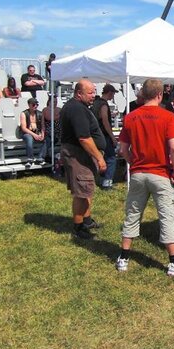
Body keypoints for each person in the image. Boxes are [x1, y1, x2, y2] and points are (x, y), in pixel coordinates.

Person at [115, 78, 174, 276]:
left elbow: (122, 148)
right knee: (167, 217)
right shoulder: (167, 117)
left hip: (138, 173)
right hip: (160, 173)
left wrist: (132, 162)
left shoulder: (131, 117)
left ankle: (124, 257)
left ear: (143, 94)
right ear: (160, 95)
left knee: (133, 214)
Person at [60, 79, 106, 239]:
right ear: (79, 93)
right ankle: (79, 228)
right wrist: (99, 158)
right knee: (81, 191)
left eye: (94, 91)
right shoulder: (76, 109)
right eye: (90, 92)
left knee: (86, 188)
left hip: (81, 154)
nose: (94, 95)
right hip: (78, 154)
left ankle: (86, 221)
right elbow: (84, 138)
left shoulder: (78, 107)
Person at [91, 84, 118, 190]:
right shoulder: (104, 105)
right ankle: (107, 182)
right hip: (104, 135)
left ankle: (101, 180)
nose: (113, 96)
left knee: (100, 158)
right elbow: (105, 122)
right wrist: (112, 137)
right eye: (113, 93)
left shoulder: (96, 102)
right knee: (111, 159)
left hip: (96, 135)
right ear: (110, 93)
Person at [20, 98, 46, 167]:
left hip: (37, 132)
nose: (35, 106)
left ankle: (40, 158)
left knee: (47, 139)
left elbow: (43, 126)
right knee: (29, 138)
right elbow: (24, 128)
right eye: (34, 104)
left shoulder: (40, 113)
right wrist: (34, 135)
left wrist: (42, 134)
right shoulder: (24, 113)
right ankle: (30, 159)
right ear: (29, 105)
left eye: (37, 104)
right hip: (27, 133)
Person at [42, 95, 61, 161]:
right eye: (53, 101)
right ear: (49, 102)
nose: (55, 103)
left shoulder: (59, 109)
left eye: (56, 101)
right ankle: (44, 156)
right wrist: (42, 132)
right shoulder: (45, 110)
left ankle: (44, 156)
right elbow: (45, 121)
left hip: (58, 130)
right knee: (48, 139)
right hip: (48, 130)